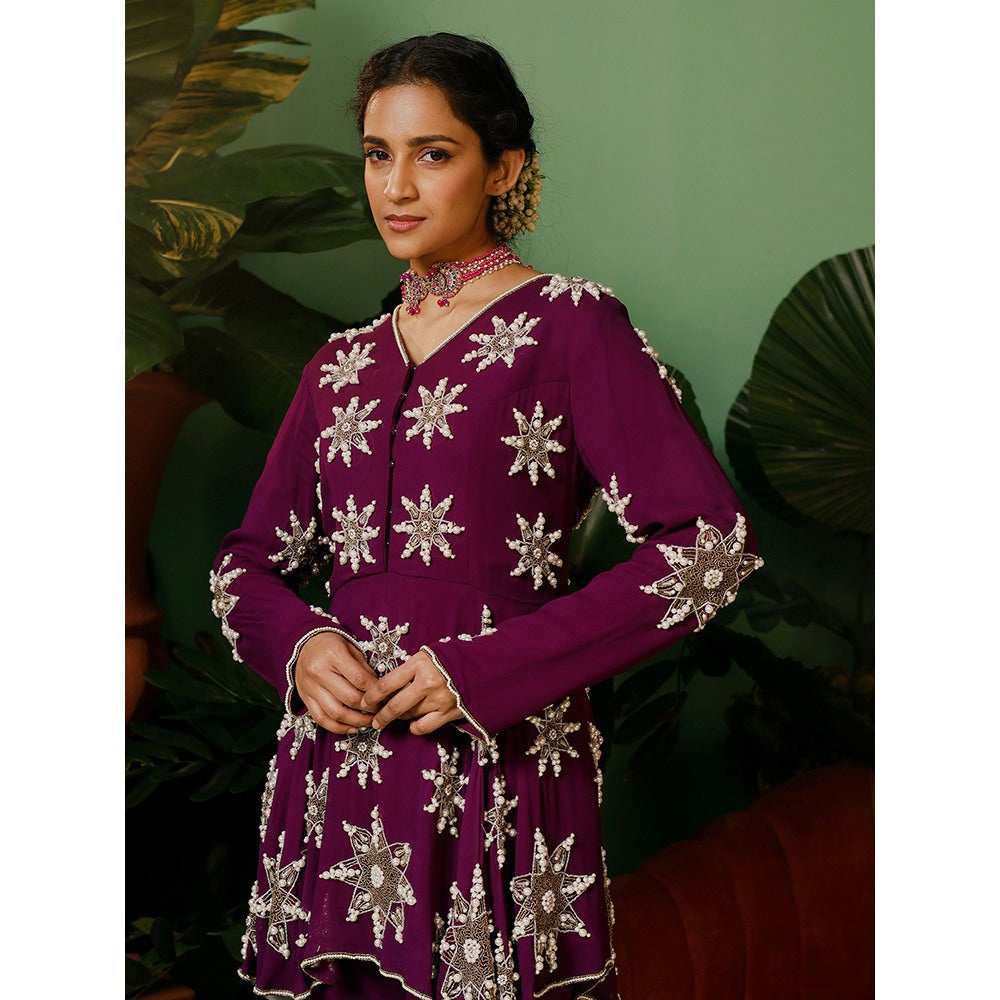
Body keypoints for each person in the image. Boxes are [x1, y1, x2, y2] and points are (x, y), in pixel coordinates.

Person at [209, 31, 763, 1000]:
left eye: (433, 153)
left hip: (494, 769)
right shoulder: (339, 365)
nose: (396, 186)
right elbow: (246, 565)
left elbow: (707, 549)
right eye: (378, 154)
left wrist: (486, 671)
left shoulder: (569, 325)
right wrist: (300, 646)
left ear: (502, 167)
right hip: (336, 780)